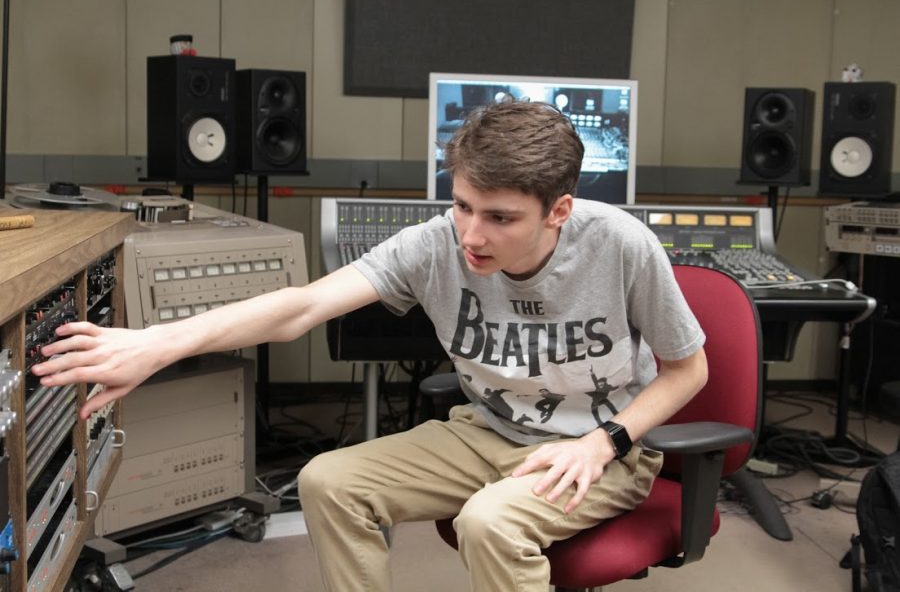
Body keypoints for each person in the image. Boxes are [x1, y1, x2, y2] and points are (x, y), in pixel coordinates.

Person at [33, 100, 708, 592]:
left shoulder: (620, 245)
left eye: (500, 218)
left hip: (597, 449)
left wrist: (605, 442)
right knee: (329, 482)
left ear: (557, 210)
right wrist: (160, 344)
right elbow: (302, 306)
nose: (471, 234)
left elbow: (689, 370)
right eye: (463, 204)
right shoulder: (436, 241)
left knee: (491, 523)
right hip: (488, 431)